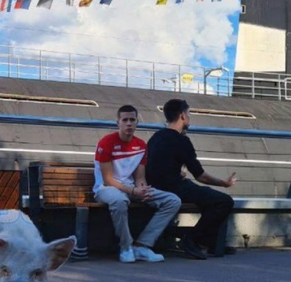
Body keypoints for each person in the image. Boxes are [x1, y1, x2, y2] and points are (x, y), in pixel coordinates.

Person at [146, 98, 237, 260]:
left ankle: (210, 242)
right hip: (174, 187)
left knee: (208, 199)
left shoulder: (156, 137)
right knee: (223, 201)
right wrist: (225, 183)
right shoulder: (182, 141)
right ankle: (192, 240)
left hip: (156, 186)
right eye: (188, 113)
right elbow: (200, 175)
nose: (189, 117)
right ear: (182, 115)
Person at [93, 104, 181, 263]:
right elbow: (108, 180)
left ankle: (142, 246)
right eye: (124, 120)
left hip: (131, 189)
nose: (128, 123)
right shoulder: (106, 143)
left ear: (137, 123)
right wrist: (134, 192)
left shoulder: (141, 145)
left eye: (132, 120)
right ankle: (126, 247)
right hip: (106, 189)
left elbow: (140, 177)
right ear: (118, 123)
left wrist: (143, 189)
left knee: (172, 200)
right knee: (119, 201)